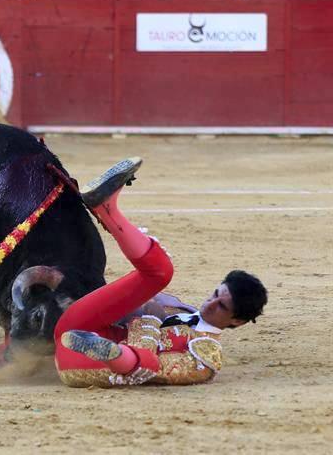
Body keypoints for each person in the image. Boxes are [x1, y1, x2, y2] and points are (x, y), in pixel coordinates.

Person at [54, 157, 268, 387]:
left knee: (150, 361)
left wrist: (148, 322)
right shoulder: (178, 309)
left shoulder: (206, 354)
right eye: (216, 294)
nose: (211, 303)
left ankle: (114, 353)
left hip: (82, 364)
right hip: (74, 329)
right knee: (160, 273)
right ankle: (107, 208)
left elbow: (162, 372)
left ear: (236, 322)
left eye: (222, 306)